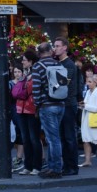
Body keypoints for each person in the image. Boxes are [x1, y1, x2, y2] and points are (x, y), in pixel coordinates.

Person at [32, 41, 65, 180]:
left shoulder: (38, 66)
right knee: (55, 137)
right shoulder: (58, 64)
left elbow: (36, 90)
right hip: (60, 104)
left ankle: (56, 168)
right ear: (50, 51)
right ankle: (53, 166)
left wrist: (37, 105)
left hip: (47, 106)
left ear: (39, 53)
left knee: (52, 139)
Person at [14, 49, 43, 176]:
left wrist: (24, 82)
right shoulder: (25, 75)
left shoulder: (35, 73)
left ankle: (37, 166)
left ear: (31, 61)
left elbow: (29, 90)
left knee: (34, 139)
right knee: (25, 139)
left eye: (24, 60)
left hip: (32, 109)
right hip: (21, 109)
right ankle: (28, 166)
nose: (22, 62)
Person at [53, 36, 79, 176]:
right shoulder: (59, 64)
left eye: (57, 46)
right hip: (62, 104)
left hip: (68, 104)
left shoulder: (69, 65)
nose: (55, 48)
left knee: (69, 137)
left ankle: (72, 167)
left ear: (64, 48)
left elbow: (62, 84)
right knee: (63, 137)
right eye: (55, 46)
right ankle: (67, 166)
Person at [9, 62, 24, 169]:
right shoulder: (10, 83)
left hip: (22, 109)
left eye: (19, 72)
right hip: (13, 109)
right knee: (14, 133)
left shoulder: (24, 82)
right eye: (15, 72)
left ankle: (19, 157)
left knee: (20, 132)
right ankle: (17, 157)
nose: (17, 74)